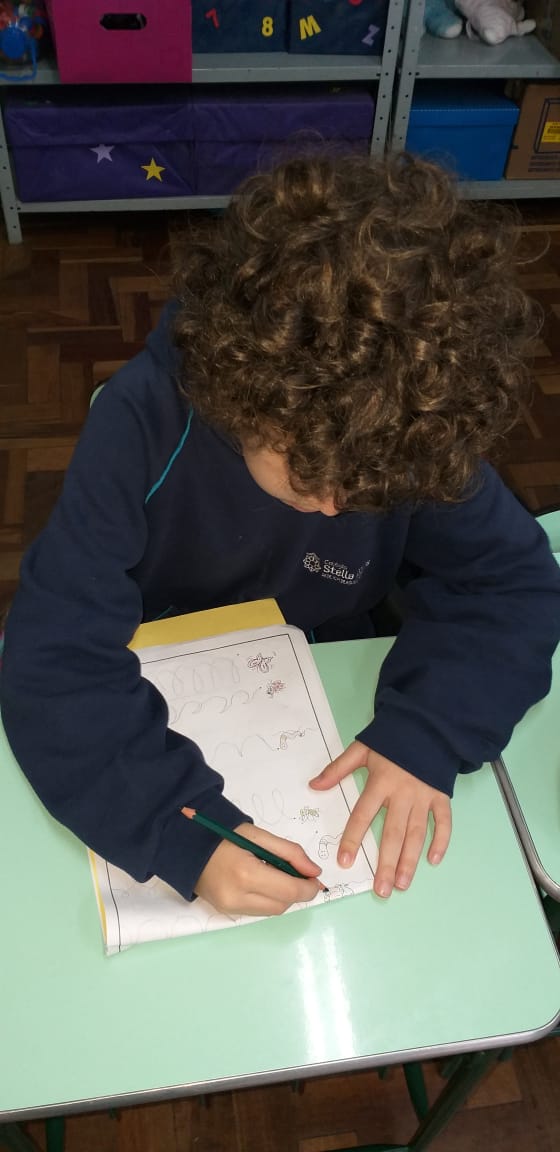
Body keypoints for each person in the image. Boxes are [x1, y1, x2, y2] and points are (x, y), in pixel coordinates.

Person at [2, 150, 560, 917]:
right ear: (244, 392)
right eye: (309, 474)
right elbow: (52, 657)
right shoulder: (141, 421)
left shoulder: (408, 428)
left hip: (321, 676)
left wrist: (428, 730)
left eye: (368, 490)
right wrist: (180, 834)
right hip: (158, 665)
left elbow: (516, 584)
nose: (336, 506)